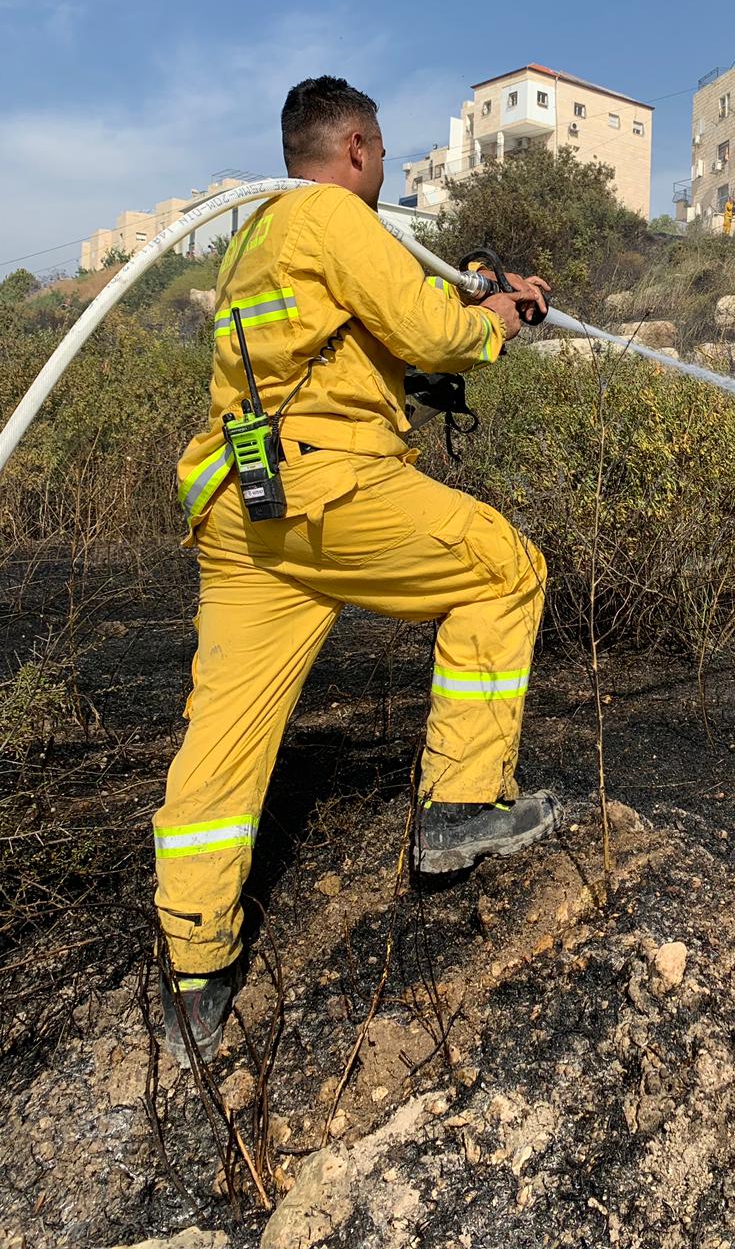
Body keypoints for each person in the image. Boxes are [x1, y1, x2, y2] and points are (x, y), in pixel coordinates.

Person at [155, 76, 559, 1064]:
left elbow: (360, 351)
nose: (379, 173)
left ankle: (197, 970)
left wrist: (450, 323)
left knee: (226, 732)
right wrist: (500, 318)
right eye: (379, 156)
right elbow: (430, 332)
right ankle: (462, 806)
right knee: (504, 572)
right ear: (357, 148)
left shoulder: (257, 236)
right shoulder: (333, 215)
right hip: (330, 491)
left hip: (249, 511)